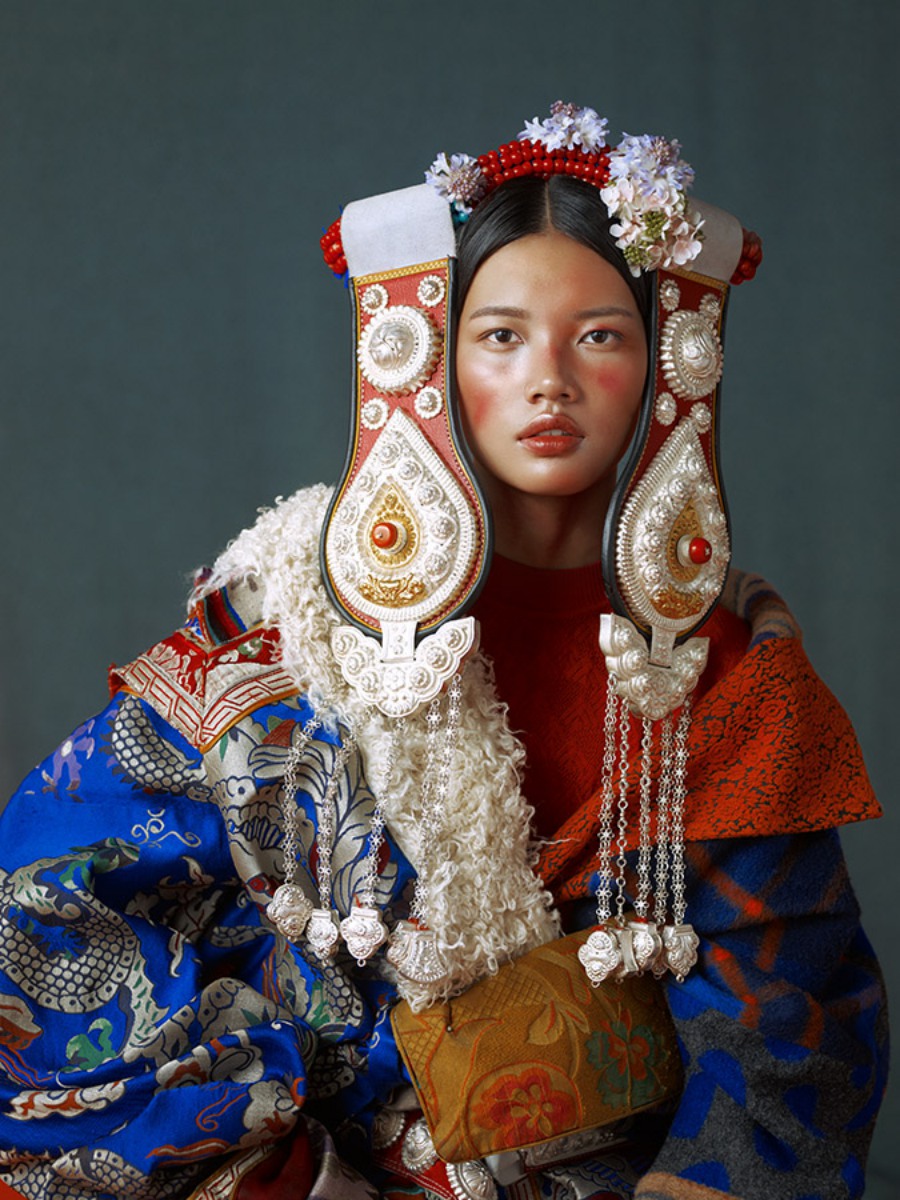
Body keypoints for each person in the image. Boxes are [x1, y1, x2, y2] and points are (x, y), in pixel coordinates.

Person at [0, 104, 887, 1200]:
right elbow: (48, 882)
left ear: (669, 365)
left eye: (600, 335)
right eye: (502, 336)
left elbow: (789, 1031)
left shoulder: (730, 673)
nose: (550, 379)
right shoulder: (299, 620)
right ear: (429, 358)